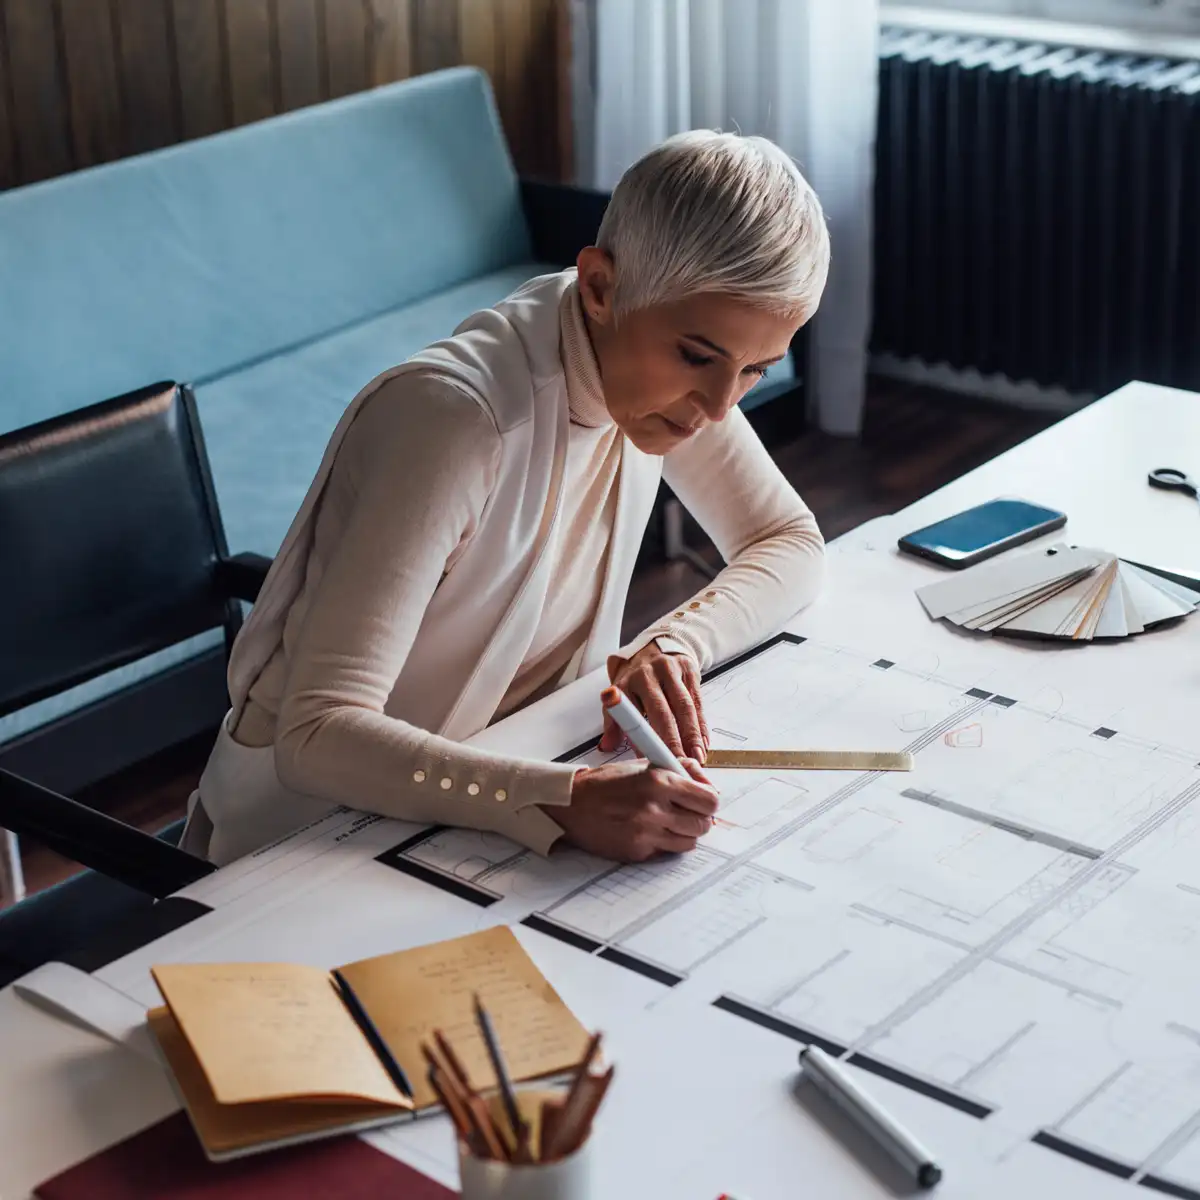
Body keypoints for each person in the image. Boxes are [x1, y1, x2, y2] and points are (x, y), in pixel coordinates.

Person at [181, 129, 831, 869]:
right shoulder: (454, 421)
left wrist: (675, 641)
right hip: (306, 843)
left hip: (483, 803)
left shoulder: (659, 362)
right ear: (598, 287)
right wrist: (553, 798)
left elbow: (788, 540)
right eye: (699, 357)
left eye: (755, 370)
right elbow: (317, 735)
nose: (718, 408)